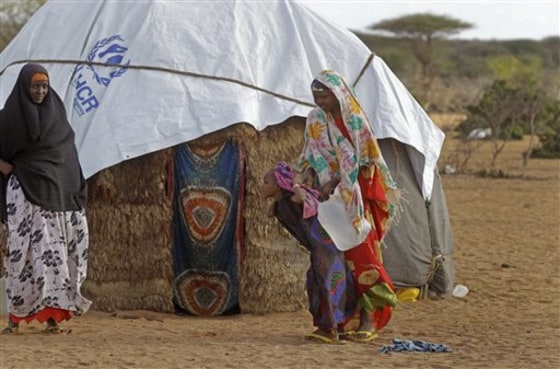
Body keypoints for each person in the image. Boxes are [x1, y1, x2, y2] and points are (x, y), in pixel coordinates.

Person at [298, 70, 400, 343]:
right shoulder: (314, 119)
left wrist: (342, 183)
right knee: (332, 258)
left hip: (357, 196)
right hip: (325, 198)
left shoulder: (354, 120)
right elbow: (310, 152)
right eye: (315, 95)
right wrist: (312, 177)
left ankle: (369, 319)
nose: (319, 100)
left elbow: (366, 159)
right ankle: (337, 321)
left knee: (361, 256)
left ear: (338, 94)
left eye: (324, 95)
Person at [0, 63, 91, 334]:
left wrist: (72, 191)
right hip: (24, 197)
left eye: (44, 86)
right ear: (24, 87)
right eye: (34, 86)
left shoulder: (57, 119)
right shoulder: (8, 119)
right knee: (21, 254)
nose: (40, 91)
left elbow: (67, 159)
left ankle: (53, 318)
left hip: (55, 199)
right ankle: (14, 319)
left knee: (53, 256)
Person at [262, 161, 354, 344]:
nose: (262, 186)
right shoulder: (280, 205)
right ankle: (334, 326)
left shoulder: (294, 198)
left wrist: (295, 183)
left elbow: (305, 197)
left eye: (266, 182)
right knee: (317, 282)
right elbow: (319, 194)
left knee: (325, 284)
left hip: (324, 246)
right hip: (322, 246)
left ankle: (330, 330)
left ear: (278, 183)